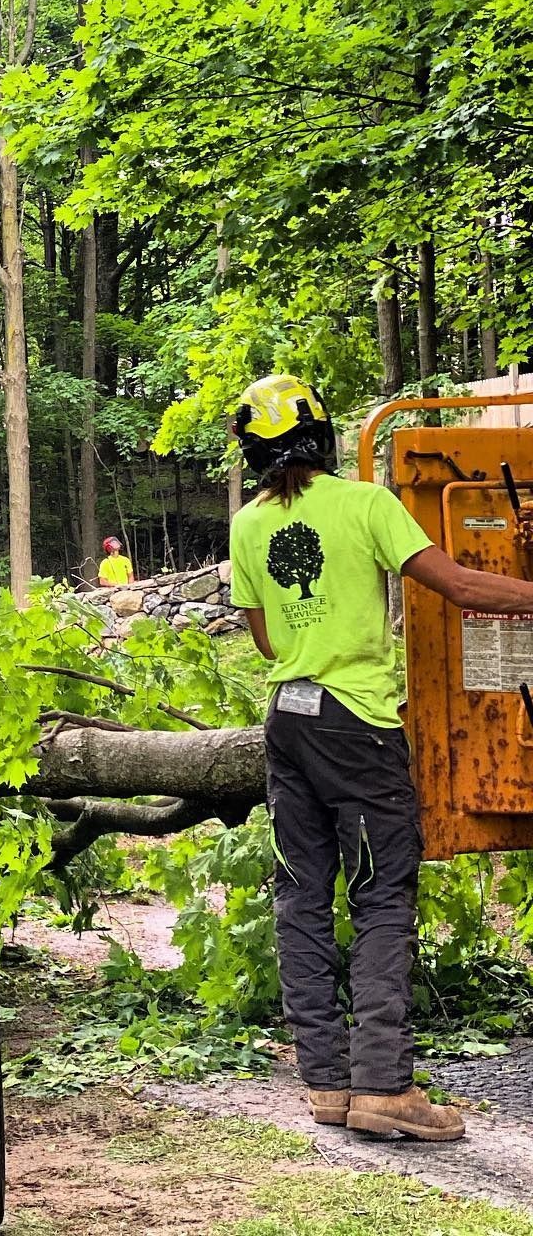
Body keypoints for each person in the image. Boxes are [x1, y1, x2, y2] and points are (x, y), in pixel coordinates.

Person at [230, 374, 533, 1143]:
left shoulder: (246, 525)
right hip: (358, 726)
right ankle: (385, 1087)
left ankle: (328, 1083)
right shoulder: (366, 504)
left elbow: (265, 640)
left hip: (287, 718)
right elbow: (461, 588)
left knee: (302, 895)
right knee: (382, 896)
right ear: (323, 436)